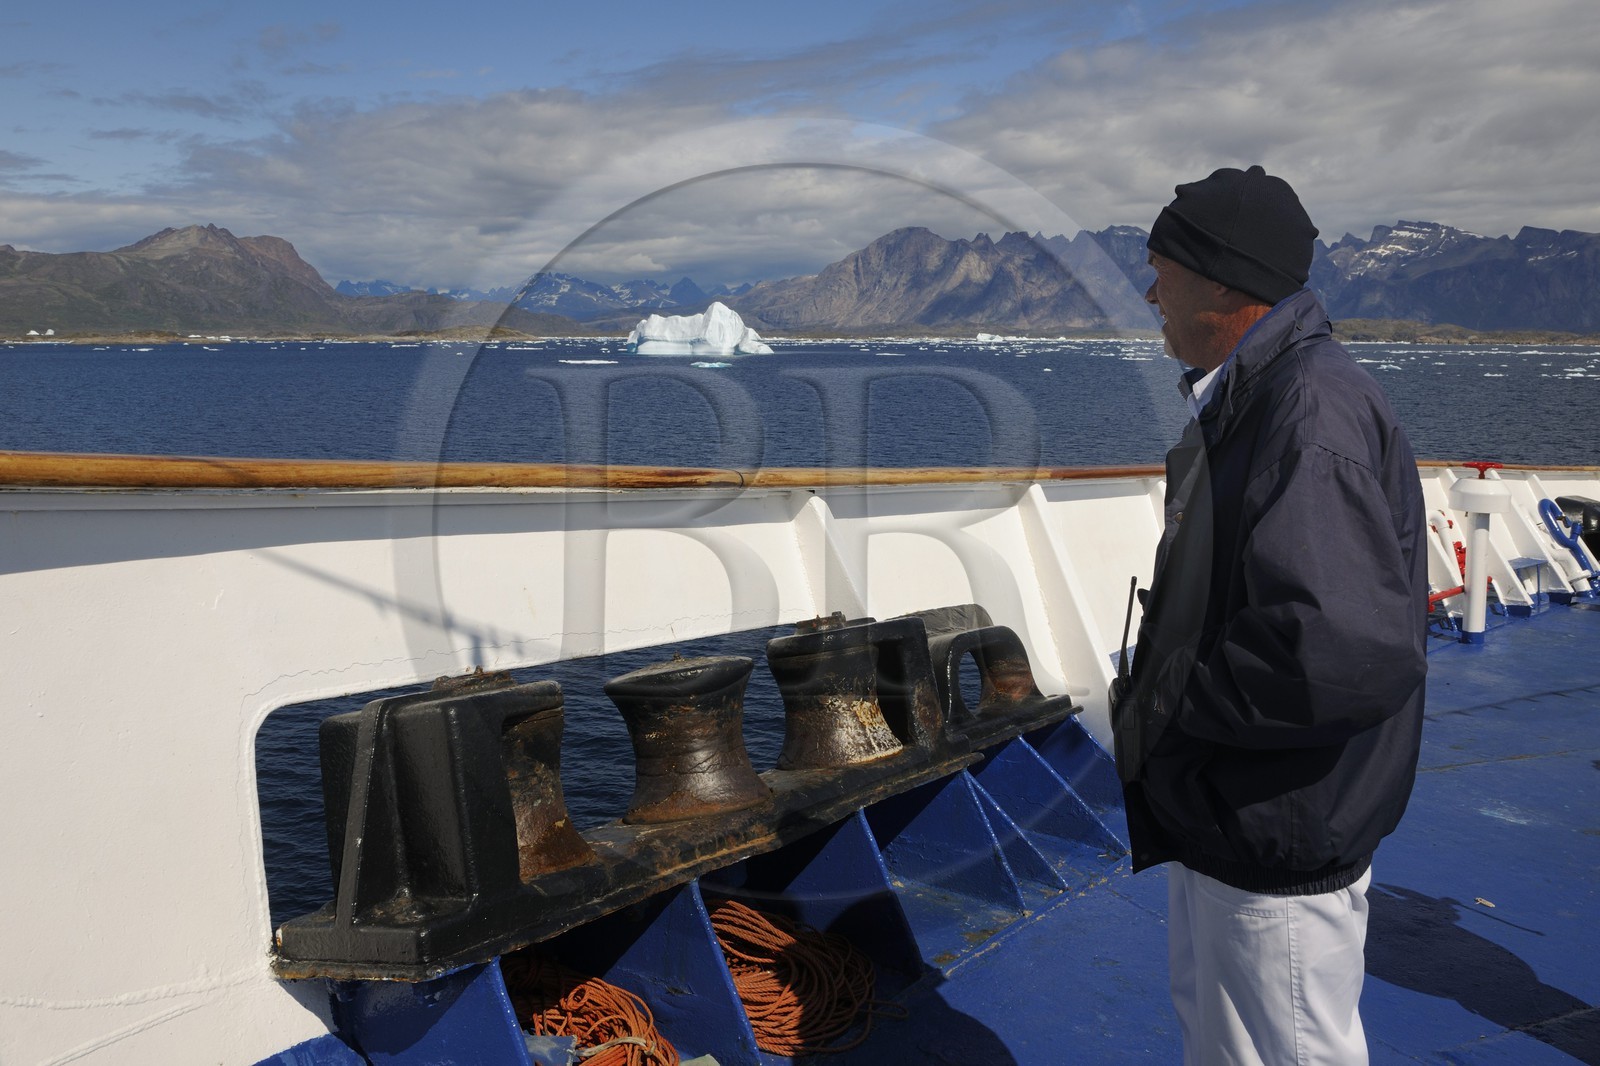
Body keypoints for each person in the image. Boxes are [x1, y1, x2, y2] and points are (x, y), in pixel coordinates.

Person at [1110, 166, 1428, 1065]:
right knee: (1223, 1041)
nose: (1149, 291)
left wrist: (1170, 699)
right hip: (1234, 808)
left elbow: (1335, 654)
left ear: (1220, 280)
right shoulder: (1264, 394)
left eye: (1160, 267)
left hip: (1275, 822)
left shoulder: (1306, 413)